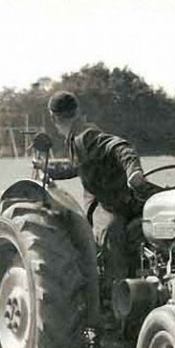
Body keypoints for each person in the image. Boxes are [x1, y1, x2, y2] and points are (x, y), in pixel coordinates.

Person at [44, 90, 159, 308]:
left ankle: (129, 294)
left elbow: (120, 147)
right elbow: (79, 167)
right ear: (77, 111)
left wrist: (134, 172)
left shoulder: (86, 135)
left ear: (54, 118)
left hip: (117, 200)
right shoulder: (76, 137)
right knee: (111, 231)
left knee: (123, 229)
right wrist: (50, 170)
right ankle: (116, 300)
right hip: (108, 203)